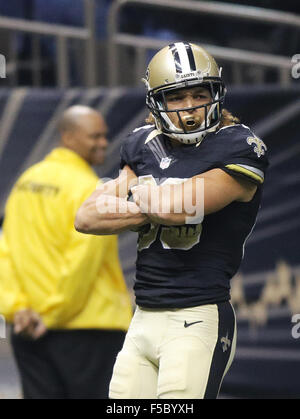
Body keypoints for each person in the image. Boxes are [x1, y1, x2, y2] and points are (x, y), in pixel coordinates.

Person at [75, 43, 269, 399]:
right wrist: (153, 199)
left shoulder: (240, 145)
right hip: (143, 317)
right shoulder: (141, 144)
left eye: (200, 93)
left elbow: (178, 208)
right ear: (157, 103)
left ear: (217, 94)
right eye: (177, 97)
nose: (191, 106)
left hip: (197, 316)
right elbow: (86, 216)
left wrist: (137, 197)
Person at [0, 105, 132, 399]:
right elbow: (82, 263)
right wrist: (51, 315)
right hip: (87, 328)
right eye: (94, 136)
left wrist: (18, 309)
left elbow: (4, 253)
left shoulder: (25, 182)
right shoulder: (89, 188)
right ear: (68, 137)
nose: (103, 143)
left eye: (104, 135)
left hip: (28, 327)